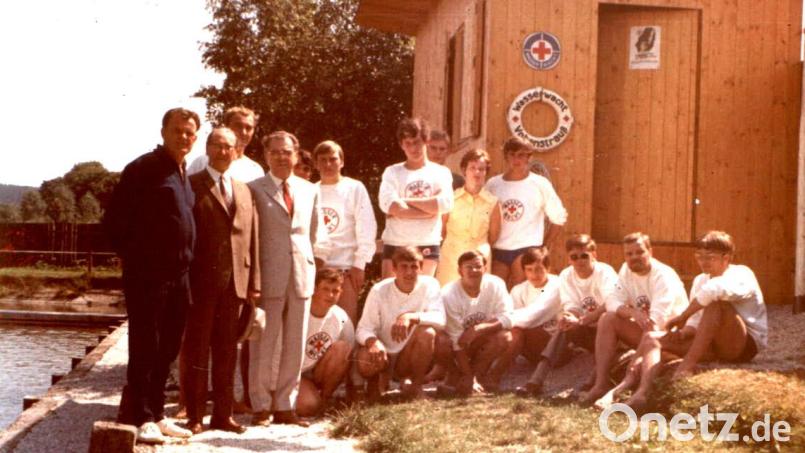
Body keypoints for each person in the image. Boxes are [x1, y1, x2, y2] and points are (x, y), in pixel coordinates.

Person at [104, 107, 199, 443]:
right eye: (177, 130)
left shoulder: (182, 171)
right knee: (146, 346)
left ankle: (158, 414)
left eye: (189, 132)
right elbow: (114, 224)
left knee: (168, 348)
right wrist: (141, 262)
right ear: (163, 132)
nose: (183, 137)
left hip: (180, 275)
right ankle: (141, 416)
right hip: (149, 276)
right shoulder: (143, 169)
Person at [600, 231, 768, 413]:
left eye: (709, 257)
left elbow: (713, 292)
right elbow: (696, 320)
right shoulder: (700, 279)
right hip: (710, 342)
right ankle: (641, 394)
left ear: (726, 257)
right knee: (652, 338)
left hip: (742, 345)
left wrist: (682, 317)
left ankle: (685, 367)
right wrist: (684, 331)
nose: (703, 262)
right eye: (699, 256)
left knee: (716, 305)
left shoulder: (741, 273)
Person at [182, 127, 261, 434]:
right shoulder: (192, 186)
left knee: (228, 351)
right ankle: (195, 416)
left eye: (230, 147)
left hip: (236, 286)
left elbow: (252, 238)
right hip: (201, 284)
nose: (224, 152)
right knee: (198, 351)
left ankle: (224, 416)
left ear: (237, 151)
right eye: (218, 145)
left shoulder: (244, 190)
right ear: (208, 148)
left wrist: (254, 281)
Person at [248, 130, 329, 426]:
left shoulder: (309, 190)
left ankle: (284, 404)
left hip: (300, 274)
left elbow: (313, 234)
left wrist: (312, 265)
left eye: (287, 152)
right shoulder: (253, 189)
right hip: (267, 274)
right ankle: (260, 405)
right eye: (276, 152)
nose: (282, 157)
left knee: (295, 343)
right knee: (263, 342)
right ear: (266, 156)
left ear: (296, 155)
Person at [579, 232, 688, 405]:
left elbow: (657, 323)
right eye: (629, 254)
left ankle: (631, 389)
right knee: (608, 318)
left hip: (669, 336)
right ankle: (600, 384)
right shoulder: (626, 270)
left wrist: (637, 356)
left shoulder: (663, 276)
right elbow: (612, 301)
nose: (634, 257)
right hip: (646, 332)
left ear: (650, 252)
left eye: (639, 252)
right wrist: (632, 313)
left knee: (641, 329)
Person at [451, 247, 559, 392]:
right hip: (530, 349)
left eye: (539, 269)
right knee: (510, 332)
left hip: (555, 346)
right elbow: (509, 318)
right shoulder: (519, 290)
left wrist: (491, 325)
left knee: (516, 329)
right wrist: (500, 323)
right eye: (529, 269)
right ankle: (476, 375)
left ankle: (494, 376)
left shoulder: (555, 285)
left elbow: (533, 316)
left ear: (548, 268)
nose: (534, 274)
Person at [521, 235, 618, 395]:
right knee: (564, 325)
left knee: (605, 320)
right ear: (569, 259)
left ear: (594, 255)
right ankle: (536, 380)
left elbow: (610, 303)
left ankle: (594, 382)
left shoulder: (605, 272)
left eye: (584, 256)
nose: (579, 261)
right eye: (574, 257)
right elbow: (572, 305)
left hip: (608, 331)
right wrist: (569, 317)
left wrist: (581, 320)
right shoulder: (567, 275)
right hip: (586, 330)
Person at [355, 246, 446, 400]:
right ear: (394, 269)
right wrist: (373, 342)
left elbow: (440, 319)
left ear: (421, 268)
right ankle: (375, 383)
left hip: (408, 355)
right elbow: (363, 328)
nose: (409, 272)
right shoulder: (379, 290)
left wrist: (410, 317)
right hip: (384, 355)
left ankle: (416, 388)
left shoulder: (430, 285)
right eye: (404, 267)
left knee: (427, 333)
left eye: (414, 267)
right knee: (364, 357)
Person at [485, 137, 567, 289]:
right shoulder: (493, 184)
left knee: (520, 294)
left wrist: (545, 246)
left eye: (522, 155)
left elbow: (558, 217)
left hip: (526, 248)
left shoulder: (539, 184)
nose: (517, 159)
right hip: (498, 249)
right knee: (494, 292)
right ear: (505, 156)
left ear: (530, 157)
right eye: (512, 154)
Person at [378, 118, 454, 278]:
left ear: (426, 141)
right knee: (392, 296)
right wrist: (429, 211)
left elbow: (444, 204)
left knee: (421, 298)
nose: (413, 148)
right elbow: (390, 206)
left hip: (427, 242)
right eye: (408, 143)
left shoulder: (441, 172)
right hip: (396, 242)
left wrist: (405, 201)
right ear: (401, 145)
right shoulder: (392, 172)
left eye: (417, 142)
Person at [314, 140, 377, 324]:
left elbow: (366, 226)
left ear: (342, 162)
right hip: (318, 269)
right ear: (316, 164)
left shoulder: (354, 188)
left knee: (345, 325)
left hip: (346, 269)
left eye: (333, 159)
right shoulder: (311, 191)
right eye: (323, 160)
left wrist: (360, 264)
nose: (328, 164)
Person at [437, 250, 513, 395]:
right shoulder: (448, 294)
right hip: (457, 346)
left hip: (480, 341)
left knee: (505, 336)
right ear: (460, 271)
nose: (474, 271)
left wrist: (480, 328)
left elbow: (509, 317)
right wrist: (467, 375)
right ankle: (456, 375)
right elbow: (455, 341)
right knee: (440, 341)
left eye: (478, 266)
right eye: (468, 267)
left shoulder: (496, 284)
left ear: (485, 268)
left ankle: (476, 376)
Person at [435, 149, 501, 286]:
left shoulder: (493, 202)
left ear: (485, 173)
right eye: (473, 168)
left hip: (478, 260)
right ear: (464, 170)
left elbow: (493, 236)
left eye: (481, 169)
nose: (477, 172)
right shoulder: (451, 198)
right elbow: (441, 231)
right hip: (451, 258)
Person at [295, 268, 356, 416]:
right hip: (291, 373)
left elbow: (349, 357)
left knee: (343, 348)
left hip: (315, 371)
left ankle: (324, 399)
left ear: (341, 292)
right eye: (325, 289)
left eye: (335, 291)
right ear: (314, 289)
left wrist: (354, 391)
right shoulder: (299, 311)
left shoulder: (341, 317)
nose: (330, 295)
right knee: (307, 407)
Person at [187, 106, 265, 181]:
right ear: (226, 127)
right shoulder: (202, 162)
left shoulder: (256, 170)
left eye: (248, 128)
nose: (243, 132)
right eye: (238, 126)